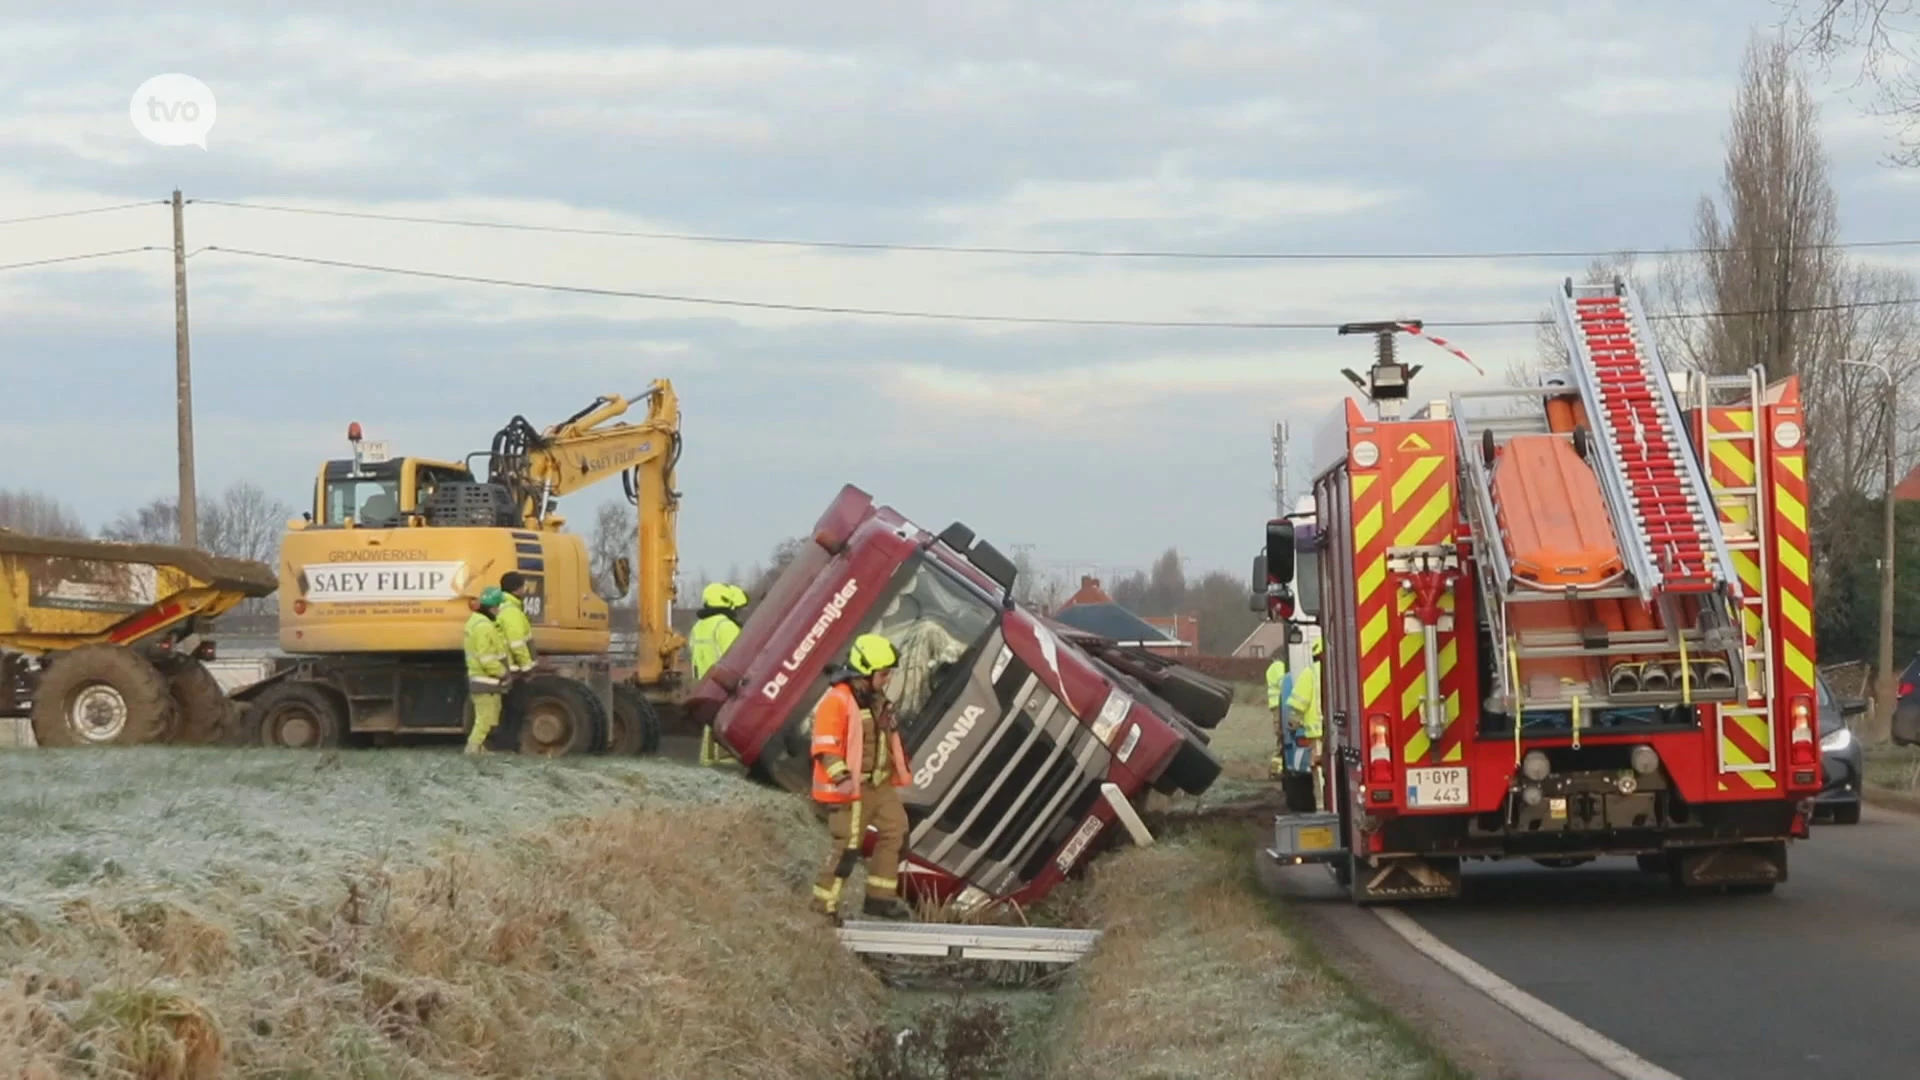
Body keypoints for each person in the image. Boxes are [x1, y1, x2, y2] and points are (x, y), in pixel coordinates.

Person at [810, 633, 913, 922]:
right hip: (853, 788)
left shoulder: (877, 700)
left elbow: (883, 740)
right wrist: (841, 777)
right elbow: (825, 745)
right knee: (847, 847)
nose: (888, 679)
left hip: (878, 784)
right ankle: (823, 906)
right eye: (884, 674)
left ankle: (879, 899)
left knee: (897, 832)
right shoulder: (837, 701)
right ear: (865, 672)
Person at [690, 582, 749, 766]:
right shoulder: (726, 626)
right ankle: (723, 759)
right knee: (725, 722)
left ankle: (708, 760)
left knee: (709, 724)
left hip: (704, 683)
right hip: (725, 683)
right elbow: (740, 657)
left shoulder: (698, 627)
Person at [464, 587, 511, 755]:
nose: (499, 610)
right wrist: (503, 672)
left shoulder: (475, 622)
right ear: (492, 608)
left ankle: (479, 748)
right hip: (486, 680)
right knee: (483, 720)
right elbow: (486, 658)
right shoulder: (484, 627)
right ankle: (472, 748)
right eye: (498, 606)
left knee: (487, 717)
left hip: (482, 680)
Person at [1286, 637, 1325, 799]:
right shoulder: (1340, 668)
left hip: (1317, 735)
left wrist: (1293, 723)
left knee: (1320, 772)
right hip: (1340, 732)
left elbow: (1297, 704)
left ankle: (1323, 806)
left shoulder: (1310, 673)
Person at [497, 572, 536, 677]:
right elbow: (516, 642)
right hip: (510, 666)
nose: (525, 590)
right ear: (517, 589)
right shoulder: (511, 611)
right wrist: (527, 668)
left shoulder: (502, 605)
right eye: (523, 586)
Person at [1265, 653, 1291, 779]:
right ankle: (1276, 770)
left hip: (1276, 706)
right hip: (1280, 706)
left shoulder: (1271, 668)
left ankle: (1276, 769)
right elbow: (1284, 685)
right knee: (1282, 737)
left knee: (1280, 738)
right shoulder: (1278, 666)